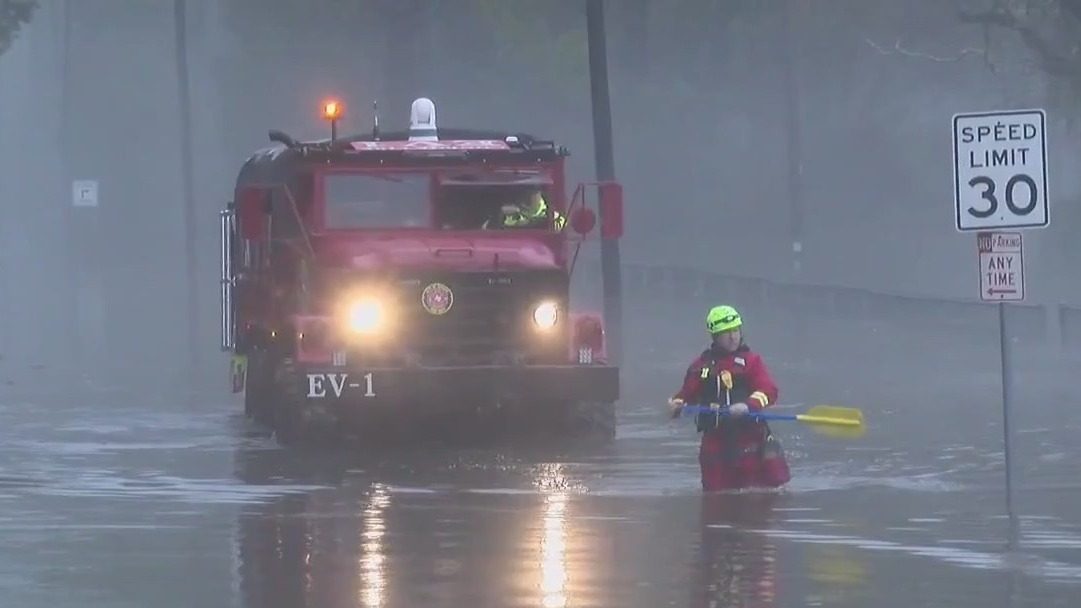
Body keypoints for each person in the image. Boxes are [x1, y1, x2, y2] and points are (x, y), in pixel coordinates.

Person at [668, 305, 791, 492]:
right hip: (716, 444)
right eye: (726, 333)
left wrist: (748, 405)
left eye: (735, 330)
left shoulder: (751, 362)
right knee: (716, 500)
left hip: (750, 439)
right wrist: (677, 404)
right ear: (715, 337)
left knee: (763, 500)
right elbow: (686, 396)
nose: (733, 337)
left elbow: (769, 391)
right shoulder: (701, 367)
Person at [486, 191, 566, 230]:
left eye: (556, 224)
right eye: (556, 219)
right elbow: (503, 209)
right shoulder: (538, 206)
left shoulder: (533, 229)